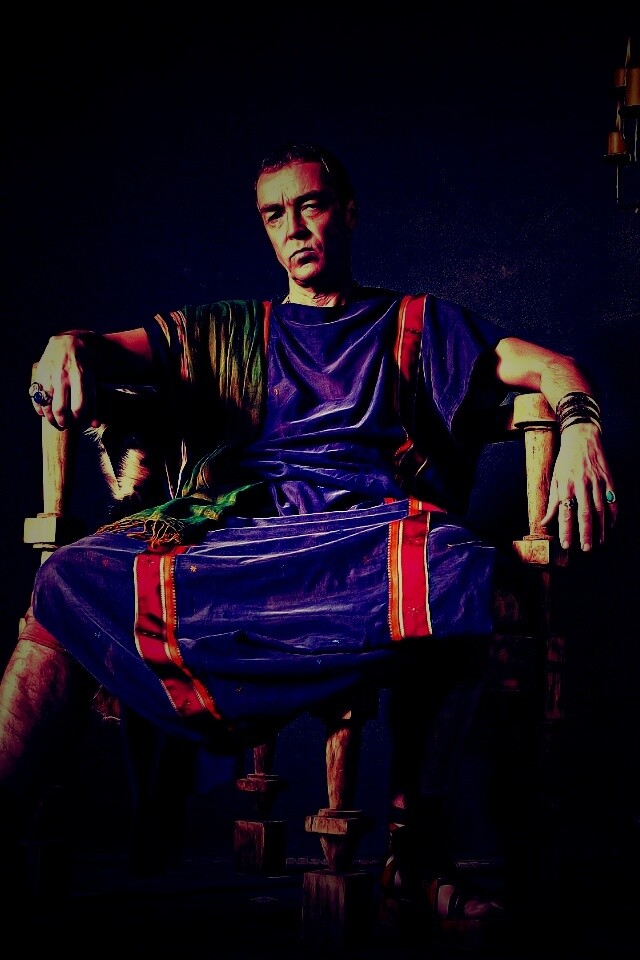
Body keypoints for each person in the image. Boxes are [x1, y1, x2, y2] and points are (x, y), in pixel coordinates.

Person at [0, 142, 616, 932]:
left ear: (347, 213)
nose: (294, 227)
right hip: (241, 537)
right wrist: (66, 341)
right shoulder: (228, 330)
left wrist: (581, 428)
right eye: (274, 214)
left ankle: (414, 854)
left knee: (461, 567)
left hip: (361, 539)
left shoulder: (416, 324)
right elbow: (99, 350)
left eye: (311, 205)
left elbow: (549, 365)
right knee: (66, 577)